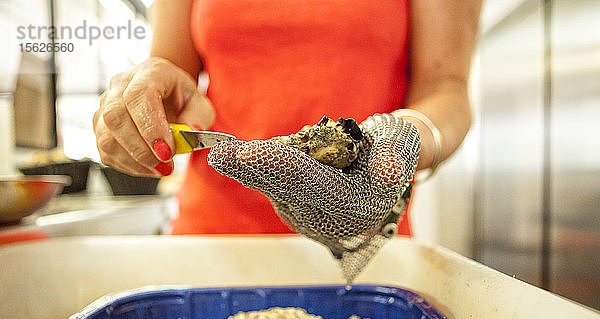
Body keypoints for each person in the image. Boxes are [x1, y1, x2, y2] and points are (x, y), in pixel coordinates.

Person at [93, 0, 482, 237]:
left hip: (361, 244)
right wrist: (140, 108)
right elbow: (172, 74)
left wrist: (407, 140)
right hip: (212, 240)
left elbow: (446, 88)